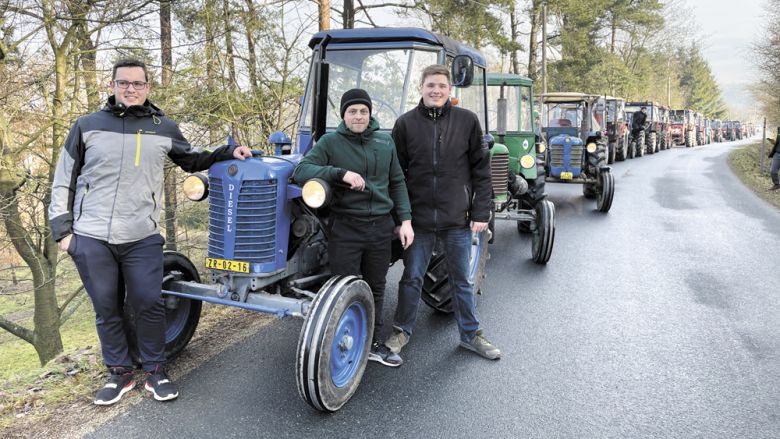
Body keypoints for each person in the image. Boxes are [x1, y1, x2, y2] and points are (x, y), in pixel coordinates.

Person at [48, 58, 252, 405]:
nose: (130, 89)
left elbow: (192, 159)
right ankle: (120, 373)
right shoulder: (86, 126)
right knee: (107, 307)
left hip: (141, 235)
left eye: (137, 83)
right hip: (92, 236)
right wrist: (64, 234)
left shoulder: (163, 127)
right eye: (123, 83)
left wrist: (228, 151)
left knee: (148, 302)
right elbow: (63, 179)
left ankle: (156, 372)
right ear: (111, 85)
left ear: (147, 88)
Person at [385, 64, 501, 360]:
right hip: (419, 221)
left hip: (456, 220)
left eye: (441, 86)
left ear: (450, 90)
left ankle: (470, 334)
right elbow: (395, 175)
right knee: (411, 278)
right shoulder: (405, 124)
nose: (436, 90)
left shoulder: (467, 121)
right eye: (430, 85)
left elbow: (481, 172)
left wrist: (480, 211)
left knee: (460, 280)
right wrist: (401, 219)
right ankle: (401, 331)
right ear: (421, 88)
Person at [293, 88, 414, 367]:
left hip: (380, 227)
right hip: (346, 227)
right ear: (344, 115)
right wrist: (339, 173)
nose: (358, 116)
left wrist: (405, 221)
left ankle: (370, 343)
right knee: (342, 286)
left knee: (376, 286)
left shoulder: (385, 142)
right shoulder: (330, 142)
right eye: (352, 111)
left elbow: (397, 182)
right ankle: (339, 343)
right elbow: (302, 170)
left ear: (369, 114)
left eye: (363, 111)